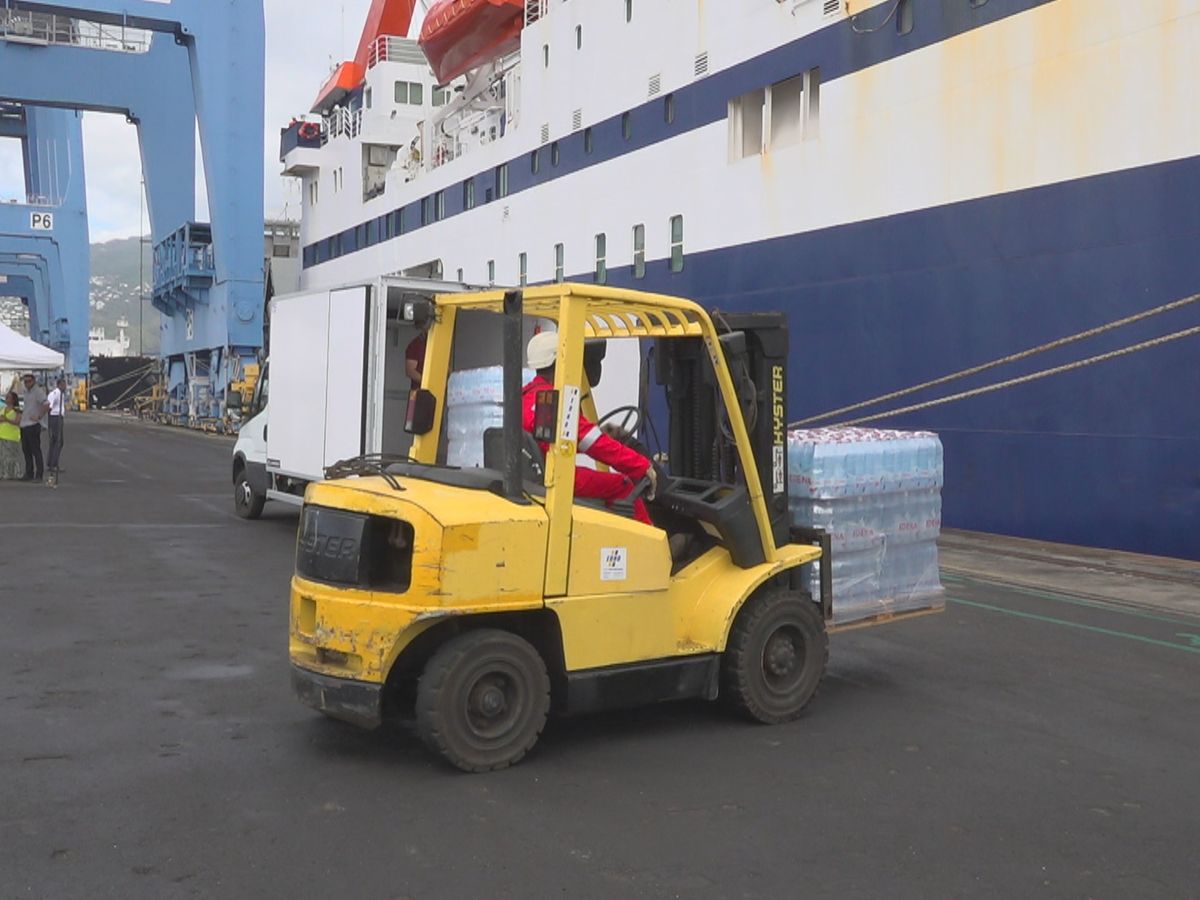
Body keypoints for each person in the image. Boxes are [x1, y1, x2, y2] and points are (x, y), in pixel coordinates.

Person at [521, 331, 657, 525]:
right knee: (623, 485)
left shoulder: (526, 397)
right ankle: (651, 549)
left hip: (537, 475)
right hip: (555, 478)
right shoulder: (553, 402)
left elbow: (562, 440)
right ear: (561, 360)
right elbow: (594, 443)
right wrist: (640, 465)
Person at [18, 373, 47, 483]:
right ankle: (29, 473)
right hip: (24, 424)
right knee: (26, 450)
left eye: (29, 381)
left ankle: (39, 475)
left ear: (33, 381)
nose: (27, 383)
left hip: (33, 425)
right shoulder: (26, 392)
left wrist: (39, 416)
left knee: (35, 450)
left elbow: (46, 404)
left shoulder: (38, 392)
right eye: (25, 381)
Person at [46, 376, 67, 487]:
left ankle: (52, 462)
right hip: (55, 418)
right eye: (63, 384)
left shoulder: (61, 393)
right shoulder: (56, 393)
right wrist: (50, 419)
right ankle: (53, 464)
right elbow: (49, 405)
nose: (65, 386)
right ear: (59, 385)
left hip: (58, 417)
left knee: (56, 441)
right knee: (58, 441)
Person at [0, 391, 23, 480]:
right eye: (6, 397)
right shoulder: (2, 408)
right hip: (2, 434)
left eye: (8, 397)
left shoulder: (17, 410)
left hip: (12, 436)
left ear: (13, 399)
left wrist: (6, 419)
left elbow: (17, 422)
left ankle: (14, 473)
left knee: (11, 456)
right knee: (3, 456)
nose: (6, 399)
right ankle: (3, 472)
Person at [405, 324, 428, 391]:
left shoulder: (438, 345)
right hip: (416, 392)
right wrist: (427, 382)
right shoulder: (415, 345)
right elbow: (410, 371)